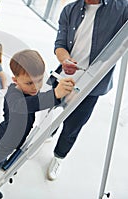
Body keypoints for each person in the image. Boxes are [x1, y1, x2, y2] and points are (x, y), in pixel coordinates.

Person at [46, 0, 128, 181]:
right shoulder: (69, 10)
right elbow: (59, 44)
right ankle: (49, 132)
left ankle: (59, 156)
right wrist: (65, 59)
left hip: (91, 86)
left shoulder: (122, 8)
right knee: (51, 110)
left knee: (73, 126)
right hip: (64, 77)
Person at [0, 50, 75, 199]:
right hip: (4, 140)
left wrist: (59, 84)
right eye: (29, 83)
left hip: (18, 138)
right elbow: (31, 104)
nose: (35, 87)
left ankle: (7, 163)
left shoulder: (29, 90)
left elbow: (40, 95)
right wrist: (55, 94)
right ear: (15, 80)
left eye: (39, 80)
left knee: (10, 156)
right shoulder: (13, 97)